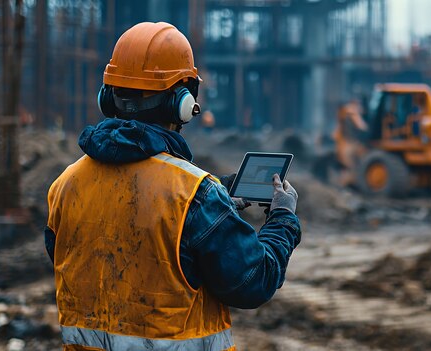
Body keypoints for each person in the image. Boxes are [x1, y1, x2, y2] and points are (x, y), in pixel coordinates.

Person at [45, 22, 301, 351]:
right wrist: (282, 218)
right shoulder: (194, 196)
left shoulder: (65, 185)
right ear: (183, 101)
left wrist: (216, 202)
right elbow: (254, 282)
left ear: (107, 97)